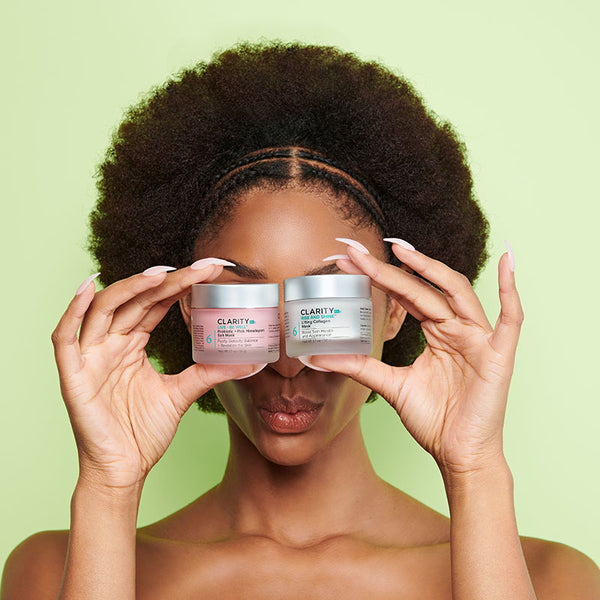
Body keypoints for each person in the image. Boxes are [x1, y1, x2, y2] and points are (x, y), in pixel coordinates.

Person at [2, 40, 599, 600]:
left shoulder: (553, 581)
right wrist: (109, 486)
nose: (287, 362)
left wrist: (476, 469)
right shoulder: (54, 570)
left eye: (327, 310)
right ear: (187, 308)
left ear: (395, 308)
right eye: (243, 310)